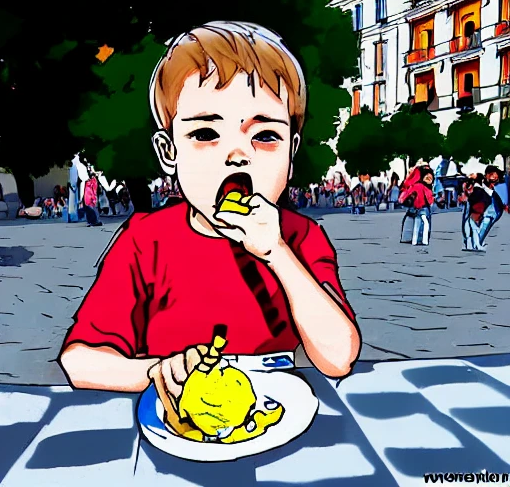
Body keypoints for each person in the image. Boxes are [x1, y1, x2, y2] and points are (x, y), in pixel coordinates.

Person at [58, 21, 360, 395]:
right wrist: (156, 372)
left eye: (265, 136)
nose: (237, 156)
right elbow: (79, 360)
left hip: (273, 409)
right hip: (177, 416)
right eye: (205, 134)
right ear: (170, 152)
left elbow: (338, 356)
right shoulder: (145, 239)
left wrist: (277, 253)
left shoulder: (300, 237)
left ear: (291, 153)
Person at [399, 165, 444, 246]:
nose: (429, 178)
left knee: (414, 223)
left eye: (430, 176)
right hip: (421, 209)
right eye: (426, 175)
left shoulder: (419, 186)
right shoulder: (420, 186)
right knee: (423, 223)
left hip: (417, 209)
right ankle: (420, 239)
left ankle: (411, 238)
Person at [462, 174, 491, 252]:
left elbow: (471, 199)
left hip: (473, 211)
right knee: (474, 228)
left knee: (469, 227)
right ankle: (476, 245)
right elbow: (488, 200)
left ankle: (470, 244)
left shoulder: (475, 189)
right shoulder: (480, 190)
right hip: (477, 212)